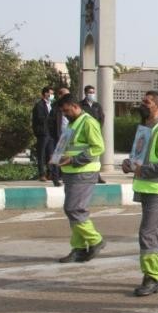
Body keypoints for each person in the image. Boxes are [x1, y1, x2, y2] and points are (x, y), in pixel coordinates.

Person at [121, 91, 158, 296]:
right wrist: (129, 164)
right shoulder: (144, 129)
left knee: (147, 234)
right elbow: (138, 156)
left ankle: (151, 277)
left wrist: (141, 169)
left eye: (147, 102)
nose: (142, 105)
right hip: (147, 188)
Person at [54, 93, 105, 263]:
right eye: (63, 112)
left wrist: (76, 160)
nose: (65, 115)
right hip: (70, 172)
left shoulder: (88, 122)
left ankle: (95, 240)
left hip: (84, 171)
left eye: (67, 111)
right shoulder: (73, 123)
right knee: (72, 211)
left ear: (76, 106)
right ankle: (79, 247)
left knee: (74, 209)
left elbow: (98, 147)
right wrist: (57, 157)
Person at [47, 86, 70, 187]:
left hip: (69, 134)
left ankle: (65, 176)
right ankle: (55, 178)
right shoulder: (55, 107)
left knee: (67, 157)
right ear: (60, 96)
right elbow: (50, 122)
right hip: (58, 135)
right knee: (56, 157)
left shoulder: (71, 106)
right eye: (65, 95)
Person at [31, 86, 54, 182]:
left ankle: (50, 173)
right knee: (42, 154)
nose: (52, 95)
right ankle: (42, 174)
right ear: (45, 94)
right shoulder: (39, 105)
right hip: (43, 133)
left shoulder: (51, 105)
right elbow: (40, 118)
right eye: (51, 93)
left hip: (51, 132)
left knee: (50, 154)